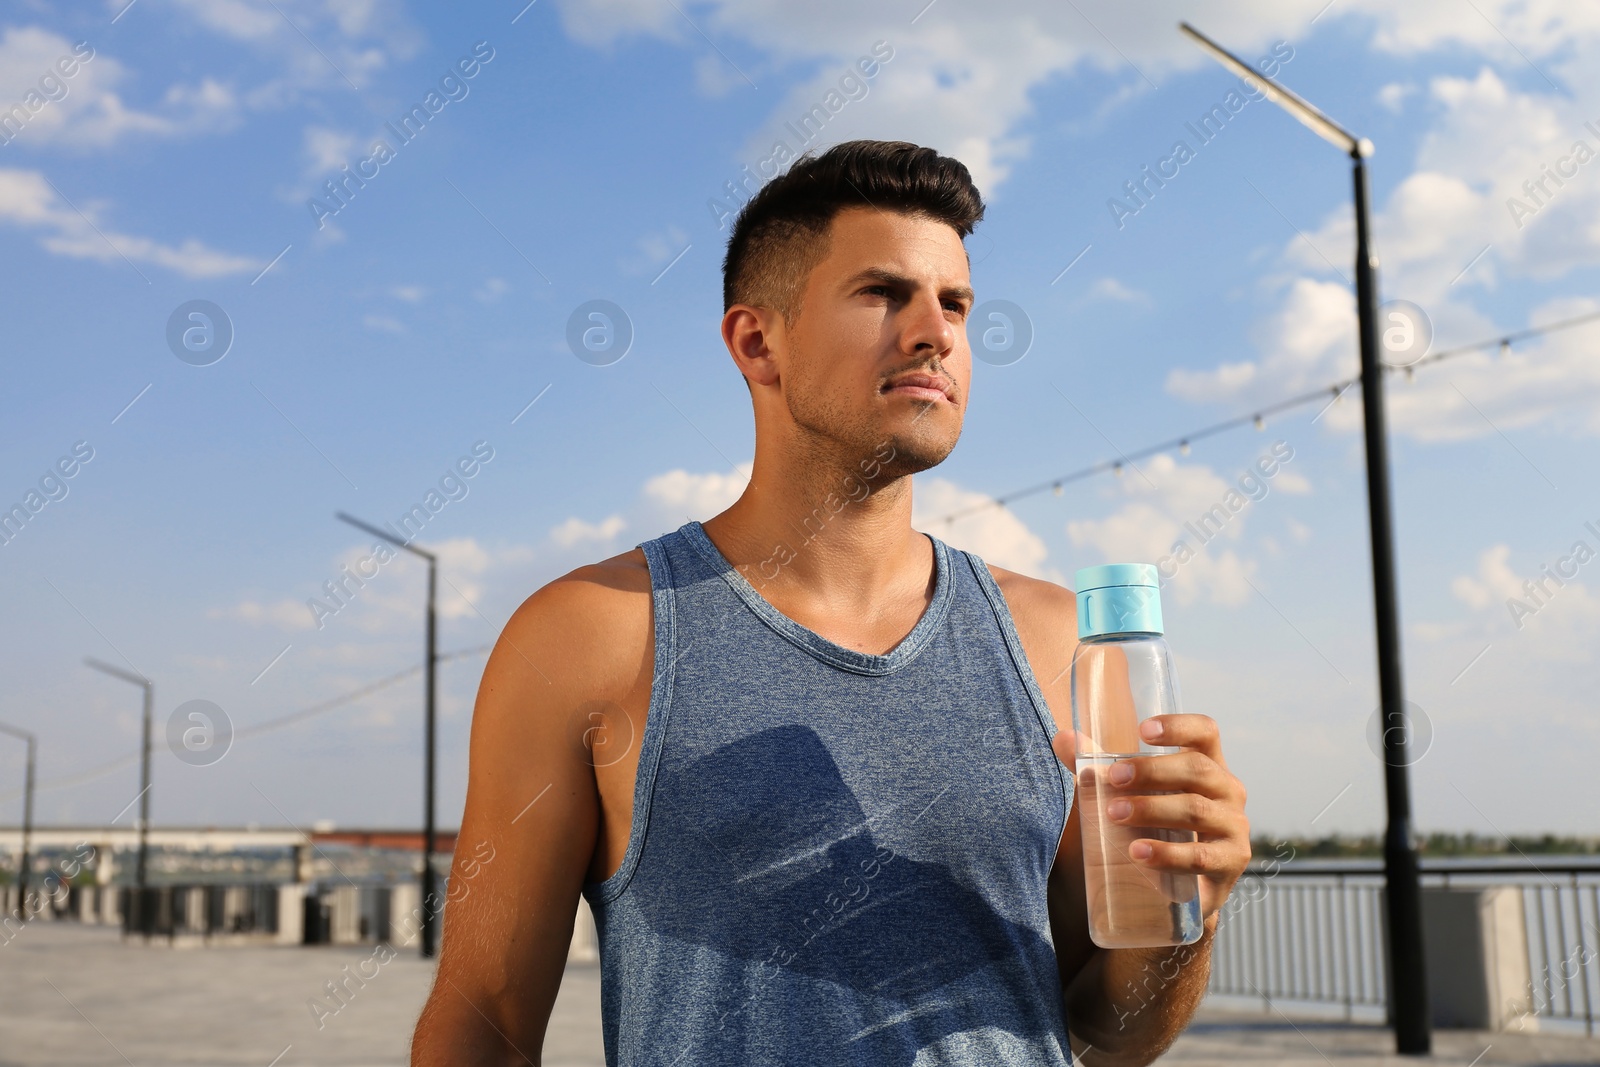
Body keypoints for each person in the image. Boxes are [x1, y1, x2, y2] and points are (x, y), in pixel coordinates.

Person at [410, 139, 1250, 1066]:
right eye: (885, 293)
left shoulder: (1054, 639)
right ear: (756, 340)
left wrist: (1188, 912)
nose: (937, 330)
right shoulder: (590, 634)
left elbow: (1106, 1033)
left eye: (957, 304)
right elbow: (482, 1015)